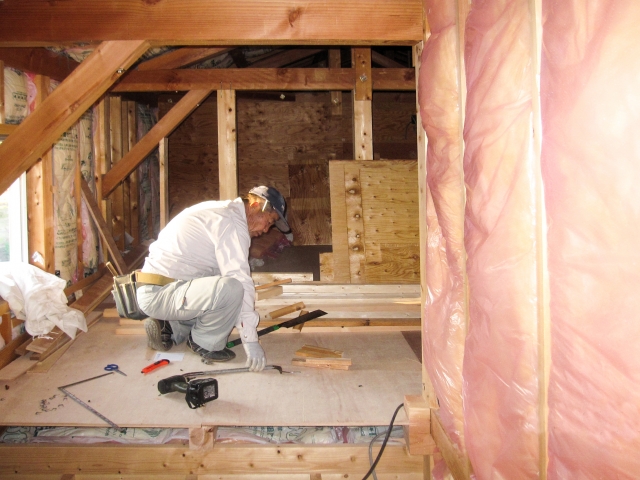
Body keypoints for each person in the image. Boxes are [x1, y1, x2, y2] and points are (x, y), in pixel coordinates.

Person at [135, 186, 291, 372]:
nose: (266, 230)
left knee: (221, 291)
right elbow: (239, 281)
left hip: (161, 289)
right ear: (256, 205)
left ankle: (170, 327)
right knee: (232, 289)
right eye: (269, 221)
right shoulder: (232, 223)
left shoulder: (223, 212)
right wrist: (250, 340)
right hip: (160, 293)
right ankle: (204, 342)